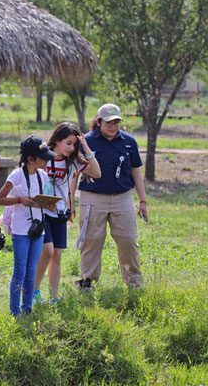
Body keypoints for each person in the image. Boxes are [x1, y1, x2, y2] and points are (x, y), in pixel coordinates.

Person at [75, 103, 148, 290]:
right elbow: (74, 172)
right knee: (91, 240)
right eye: (108, 122)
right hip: (92, 197)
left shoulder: (129, 142)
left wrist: (142, 200)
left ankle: (134, 283)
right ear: (98, 122)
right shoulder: (86, 141)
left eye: (116, 122)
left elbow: (136, 172)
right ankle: (87, 283)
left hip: (122, 197)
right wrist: (70, 202)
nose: (113, 126)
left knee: (128, 239)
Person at [32, 123, 101, 304]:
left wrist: (85, 147)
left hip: (60, 213)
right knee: (46, 251)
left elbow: (97, 172)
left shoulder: (74, 161)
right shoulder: (44, 157)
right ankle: (34, 291)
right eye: (68, 143)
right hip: (41, 211)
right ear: (57, 140)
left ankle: (54, 296)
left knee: (57, 254)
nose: (71, 148)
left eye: (74, 145)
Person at [0, 136, 55, 316]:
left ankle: (27, 309)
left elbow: (42, 200)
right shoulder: (17, 175)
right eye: (43, 158)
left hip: (38, 229)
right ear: (30, 159)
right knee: (20, 271)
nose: (46, 161)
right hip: (21, 230)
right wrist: (19, 200)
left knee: (31, 271)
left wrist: (48, 204)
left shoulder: (43, 176)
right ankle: (14, 312)